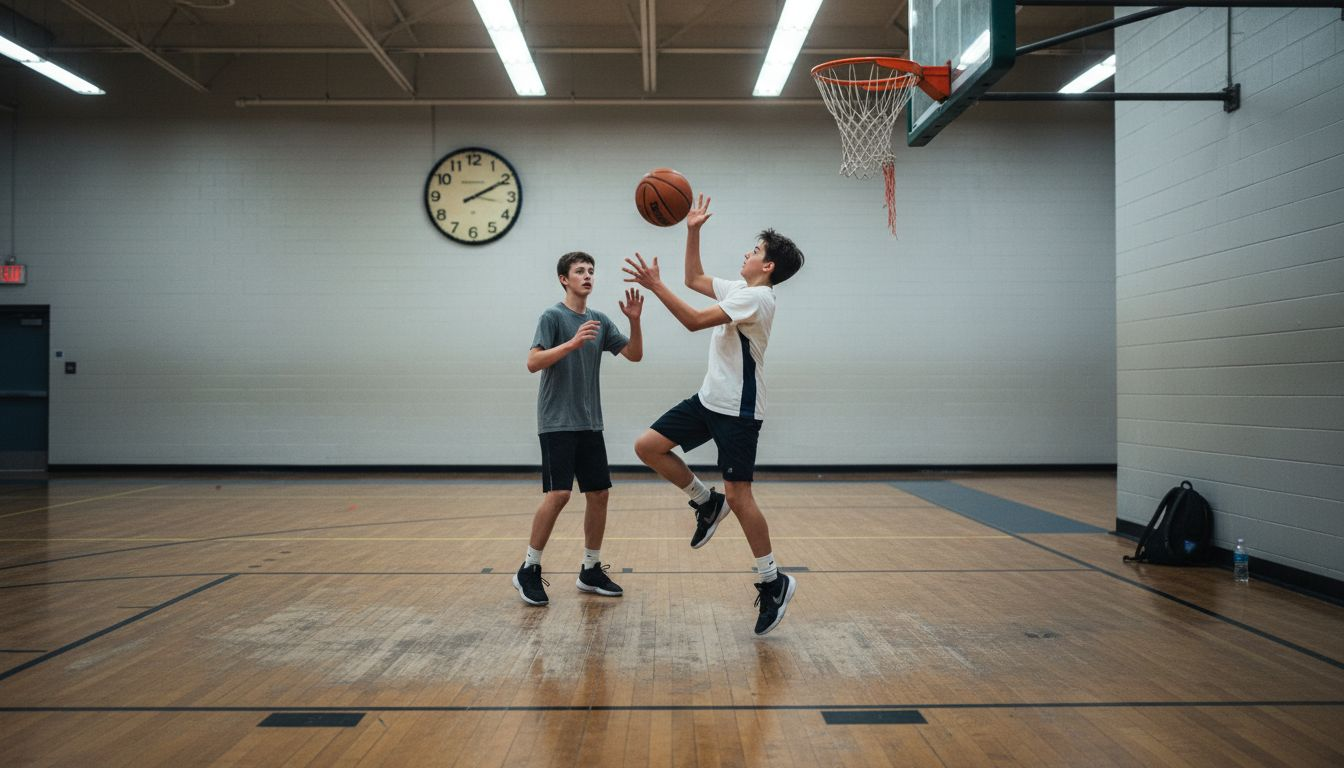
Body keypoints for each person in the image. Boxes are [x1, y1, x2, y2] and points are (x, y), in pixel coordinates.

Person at [622, 196, 804, 635]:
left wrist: (655, 285)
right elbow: (694, 278)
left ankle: (772, 579)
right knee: (647, 446)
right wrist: (692, 229)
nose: (747, 253)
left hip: (739, 411)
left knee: (742, 497)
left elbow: (692, 320)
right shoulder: (742, 289)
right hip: (710, 399)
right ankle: (706, 501)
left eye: (755, 251)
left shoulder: (758, 299)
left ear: (769, 267)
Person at [514, 251, 643, 606]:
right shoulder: (552, 316)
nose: (587, 276)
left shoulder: (599, 320)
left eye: (591, 271)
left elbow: (634, 354)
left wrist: (634, 321)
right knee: (559, 495)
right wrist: (571, 343)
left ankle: (590, 569)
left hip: (589, 421)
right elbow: (532, 361)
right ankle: (529, 568)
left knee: (599, 494)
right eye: (579, 271)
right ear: (564, 279)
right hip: (556, 421)